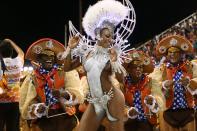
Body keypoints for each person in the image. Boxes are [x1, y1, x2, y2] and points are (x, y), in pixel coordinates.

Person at [64, 0, 137, 130]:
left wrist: (115, 61)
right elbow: (67, 68)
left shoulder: (112, 54)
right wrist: (70, 49)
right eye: (107, 36)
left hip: (113, 98)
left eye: (111, 37)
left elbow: (121, 79)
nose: (110, 39)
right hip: (96, 102)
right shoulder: (86, 54)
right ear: (97, 35)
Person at [19, 38, 85, 131]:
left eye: (51, 57)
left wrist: (63, 94)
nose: (49, 59)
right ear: (39, 60)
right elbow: (26, 103)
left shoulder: (66, 73)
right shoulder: (32, 78)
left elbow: (78, 95)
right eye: (45, 56)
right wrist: (37, 108)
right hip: (43, 119)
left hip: (65, 116)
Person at [149, 35, 197, 131]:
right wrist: (163, 85)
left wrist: (190, 83)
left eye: (175, 52)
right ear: (166, 55)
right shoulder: (160, 69)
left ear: (181, 54)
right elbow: (151, 85)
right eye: (170, 52)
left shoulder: (191, 66)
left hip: (188, 112)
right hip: (168, 113)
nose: (172, 55)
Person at [122, 50, 160, 131]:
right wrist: (128, 111)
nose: (138, 69)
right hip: (130, 123)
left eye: (140, 67)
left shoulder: (151, 81)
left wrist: (153, 102)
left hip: (148, 122)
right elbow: (121, 104)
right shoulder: (123, 84)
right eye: (135, 67)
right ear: (128, 70)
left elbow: (160, 101)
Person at [0, 39, 24, 131]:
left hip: (1, 101)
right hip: (15, 102)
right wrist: (10, 41)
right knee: (13, 128)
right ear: (11, 52)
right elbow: (21, 52)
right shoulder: (17, 62)